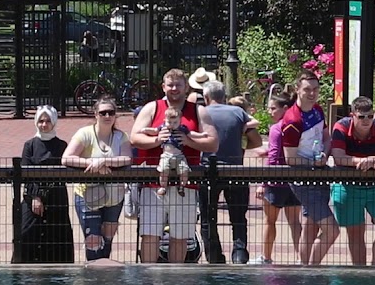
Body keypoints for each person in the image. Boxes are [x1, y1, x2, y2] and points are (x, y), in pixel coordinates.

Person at [130, 68, 219, 263]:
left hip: (185, 184)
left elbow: (213, 142)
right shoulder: (152, 108)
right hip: (154, 184)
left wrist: (188, 142)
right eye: (170, 84)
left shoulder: (198, 110)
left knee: (180, 236)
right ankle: (148, 279)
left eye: (178, 84)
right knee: (150, 235)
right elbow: (135, 136)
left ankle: (175, 279)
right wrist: (156, 141)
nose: (174, 88)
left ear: (186, 87)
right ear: (163, 86)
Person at [61, 94, 133, 262]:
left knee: (107, 239)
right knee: (93, 240)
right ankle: (92, 277)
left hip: (114, 197)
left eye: (111, 112)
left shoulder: (121, 136)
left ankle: (105, 275)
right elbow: (67, 158)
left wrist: (104, 161)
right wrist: (91, 163)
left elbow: (127, 158)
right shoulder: (85, 133)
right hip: (88, 195)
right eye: (103, 113)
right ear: (96, 115)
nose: (107, 116)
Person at [198, 80, 261, 264]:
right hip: (235, 170)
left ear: (206, 97)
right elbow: (256, 142)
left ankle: (215, 256)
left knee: (208, 217)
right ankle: (239, 254)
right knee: (238, 217)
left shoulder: (201, 112)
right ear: (224, 97)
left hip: (207, 170)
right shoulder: (238, 112)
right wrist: (240, 148)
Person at [281, 71, 341, 266]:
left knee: (310, 227)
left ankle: (303, 267)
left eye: (315, 89)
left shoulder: (318, 110)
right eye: (307, 89)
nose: (312, 93)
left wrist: (324, 154)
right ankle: (312, 268)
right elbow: (290, 158)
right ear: (297, 89)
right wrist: (313, 164)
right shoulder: (292, 120)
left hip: (320, 174)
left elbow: (326, 137)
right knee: (332, 230)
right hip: (303, 180)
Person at [328, 96, 375, 266]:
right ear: (353, 115)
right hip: (348, 187)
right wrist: (367, 162)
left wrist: (372, 160)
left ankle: (373, 270)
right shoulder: (341, 126)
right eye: (361, 117)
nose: (366, 120)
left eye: (370, 116)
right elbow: (338, 157)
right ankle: (359, 274)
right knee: (356, 233)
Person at [14, 106, 74, 264]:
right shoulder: (30, 145)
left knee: (57, 236)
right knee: (26, 233)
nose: (44, 124)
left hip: (56, 197)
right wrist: (36, 196)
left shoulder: (62, 145)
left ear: (54, 122)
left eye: (48, 121)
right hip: (33, 197)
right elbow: (26, 173)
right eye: (41, 121)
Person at [251, 93, 302, 264]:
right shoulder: (297, 126)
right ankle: (302, 258)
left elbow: (274, 157)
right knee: (295, 222)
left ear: (285, 109)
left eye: (273, 108)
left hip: (275, 182)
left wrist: (263, 183)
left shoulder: (276, 128)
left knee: (269, 221)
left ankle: (266, 257)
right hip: (294, 180)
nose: (269, 111)